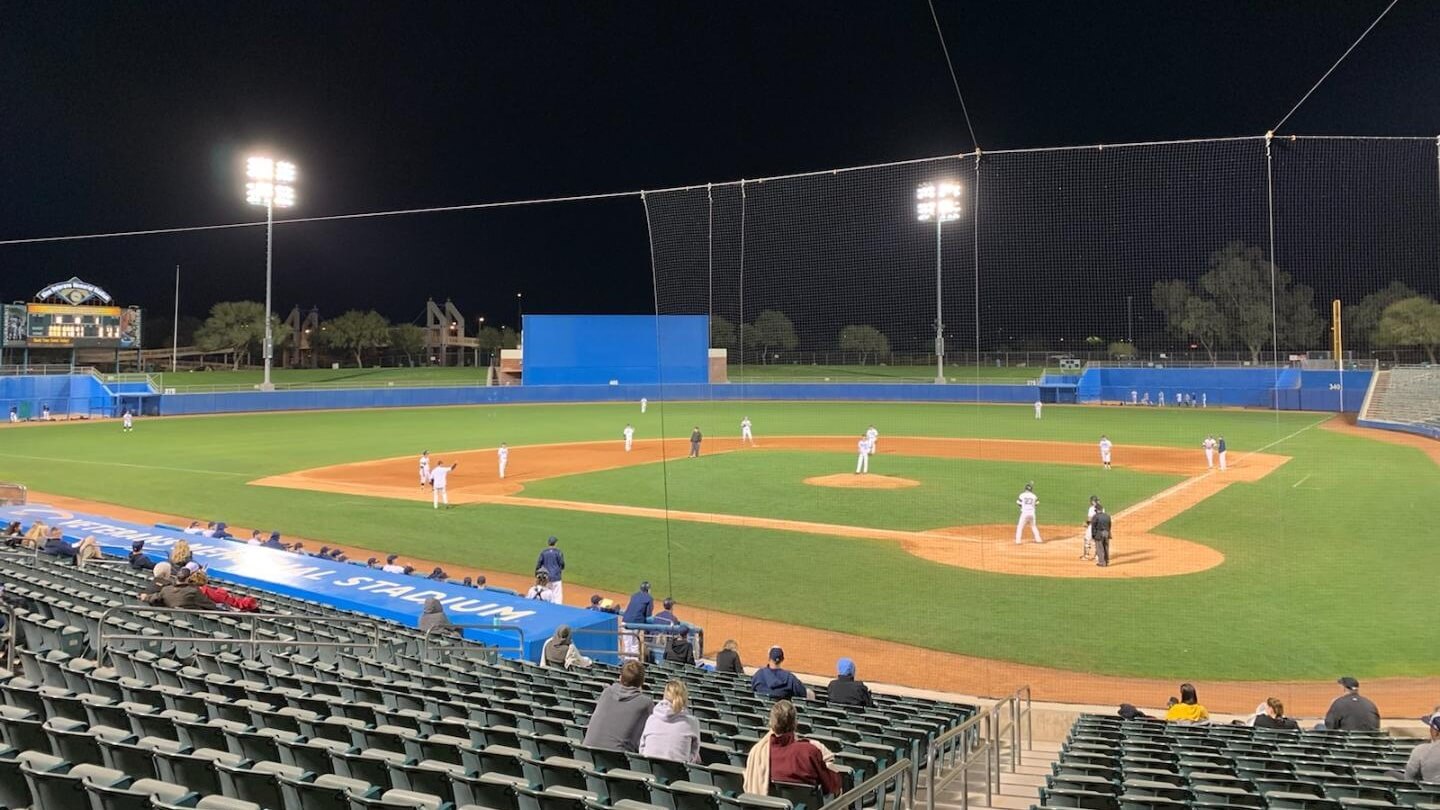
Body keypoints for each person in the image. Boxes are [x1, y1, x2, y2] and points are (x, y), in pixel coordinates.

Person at [743, 699, 841, 797]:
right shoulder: (809, 751)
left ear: (771, 723)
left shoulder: (759, 752)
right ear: (795, 723)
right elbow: (830, 786)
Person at [583, 660, 655, 752]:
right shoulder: (646, 703)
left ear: (620, 678)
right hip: (618, 759)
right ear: (642, 682)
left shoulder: (606, 692)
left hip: (587, 754)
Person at [640, 680, 701, 763]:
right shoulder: (692, 722)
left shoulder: (651, 718)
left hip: (648, 770)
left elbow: (642, 748)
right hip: (679, 772)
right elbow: (694, 752)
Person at [1394, 710, 1440, 781]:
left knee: (1389, 773)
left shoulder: (1421, 750)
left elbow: (1408, 779)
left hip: (1428, 791)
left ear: (1436, 732)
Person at [536, 536, 565, 603]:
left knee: (545, 595)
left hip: (546, 578)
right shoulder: (559, 552)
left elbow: (538, 564)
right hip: (556, 577)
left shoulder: (544, 552)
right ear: (555, 543)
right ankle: (557, 611)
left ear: (548, 543)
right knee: (557, 596)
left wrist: (537, 575)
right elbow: (562, 564)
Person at [1091, 503, 1112, 567]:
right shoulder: (1107, 516)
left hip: (1099, 534)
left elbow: (1093, 527)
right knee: (1106, 547)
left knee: (1100, 548)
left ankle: (1102, 562)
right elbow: (1109, 525)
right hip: (1106, 533)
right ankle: (1107, 561)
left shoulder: (1095, 516)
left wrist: (1093, 535)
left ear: (1097, 510)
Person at [1081, 495, 1099, 561]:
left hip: (1092, 526)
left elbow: (1090, 519)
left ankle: (1086, 556)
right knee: (1096, 541)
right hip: (1099, 527)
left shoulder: (1091, 508)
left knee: (1087, 539)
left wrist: (1086, 523)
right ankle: (1097, 556)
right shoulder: (1102, 508)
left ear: (1092, 501)